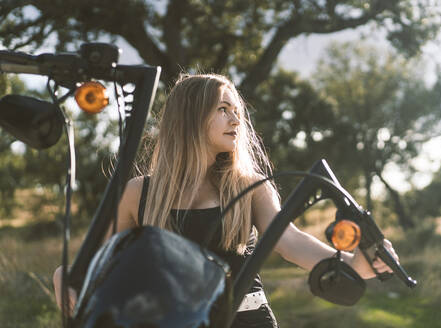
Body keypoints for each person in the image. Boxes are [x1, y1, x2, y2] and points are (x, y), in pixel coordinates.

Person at [53, 73, 398, 327]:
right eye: (222, 109)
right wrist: (62, 278)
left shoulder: (249, 186)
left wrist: (357, 263)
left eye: (237, 111)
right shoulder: (139, 192)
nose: (236, 120)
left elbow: (291, 242)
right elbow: (95, 265)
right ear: (190, 118)